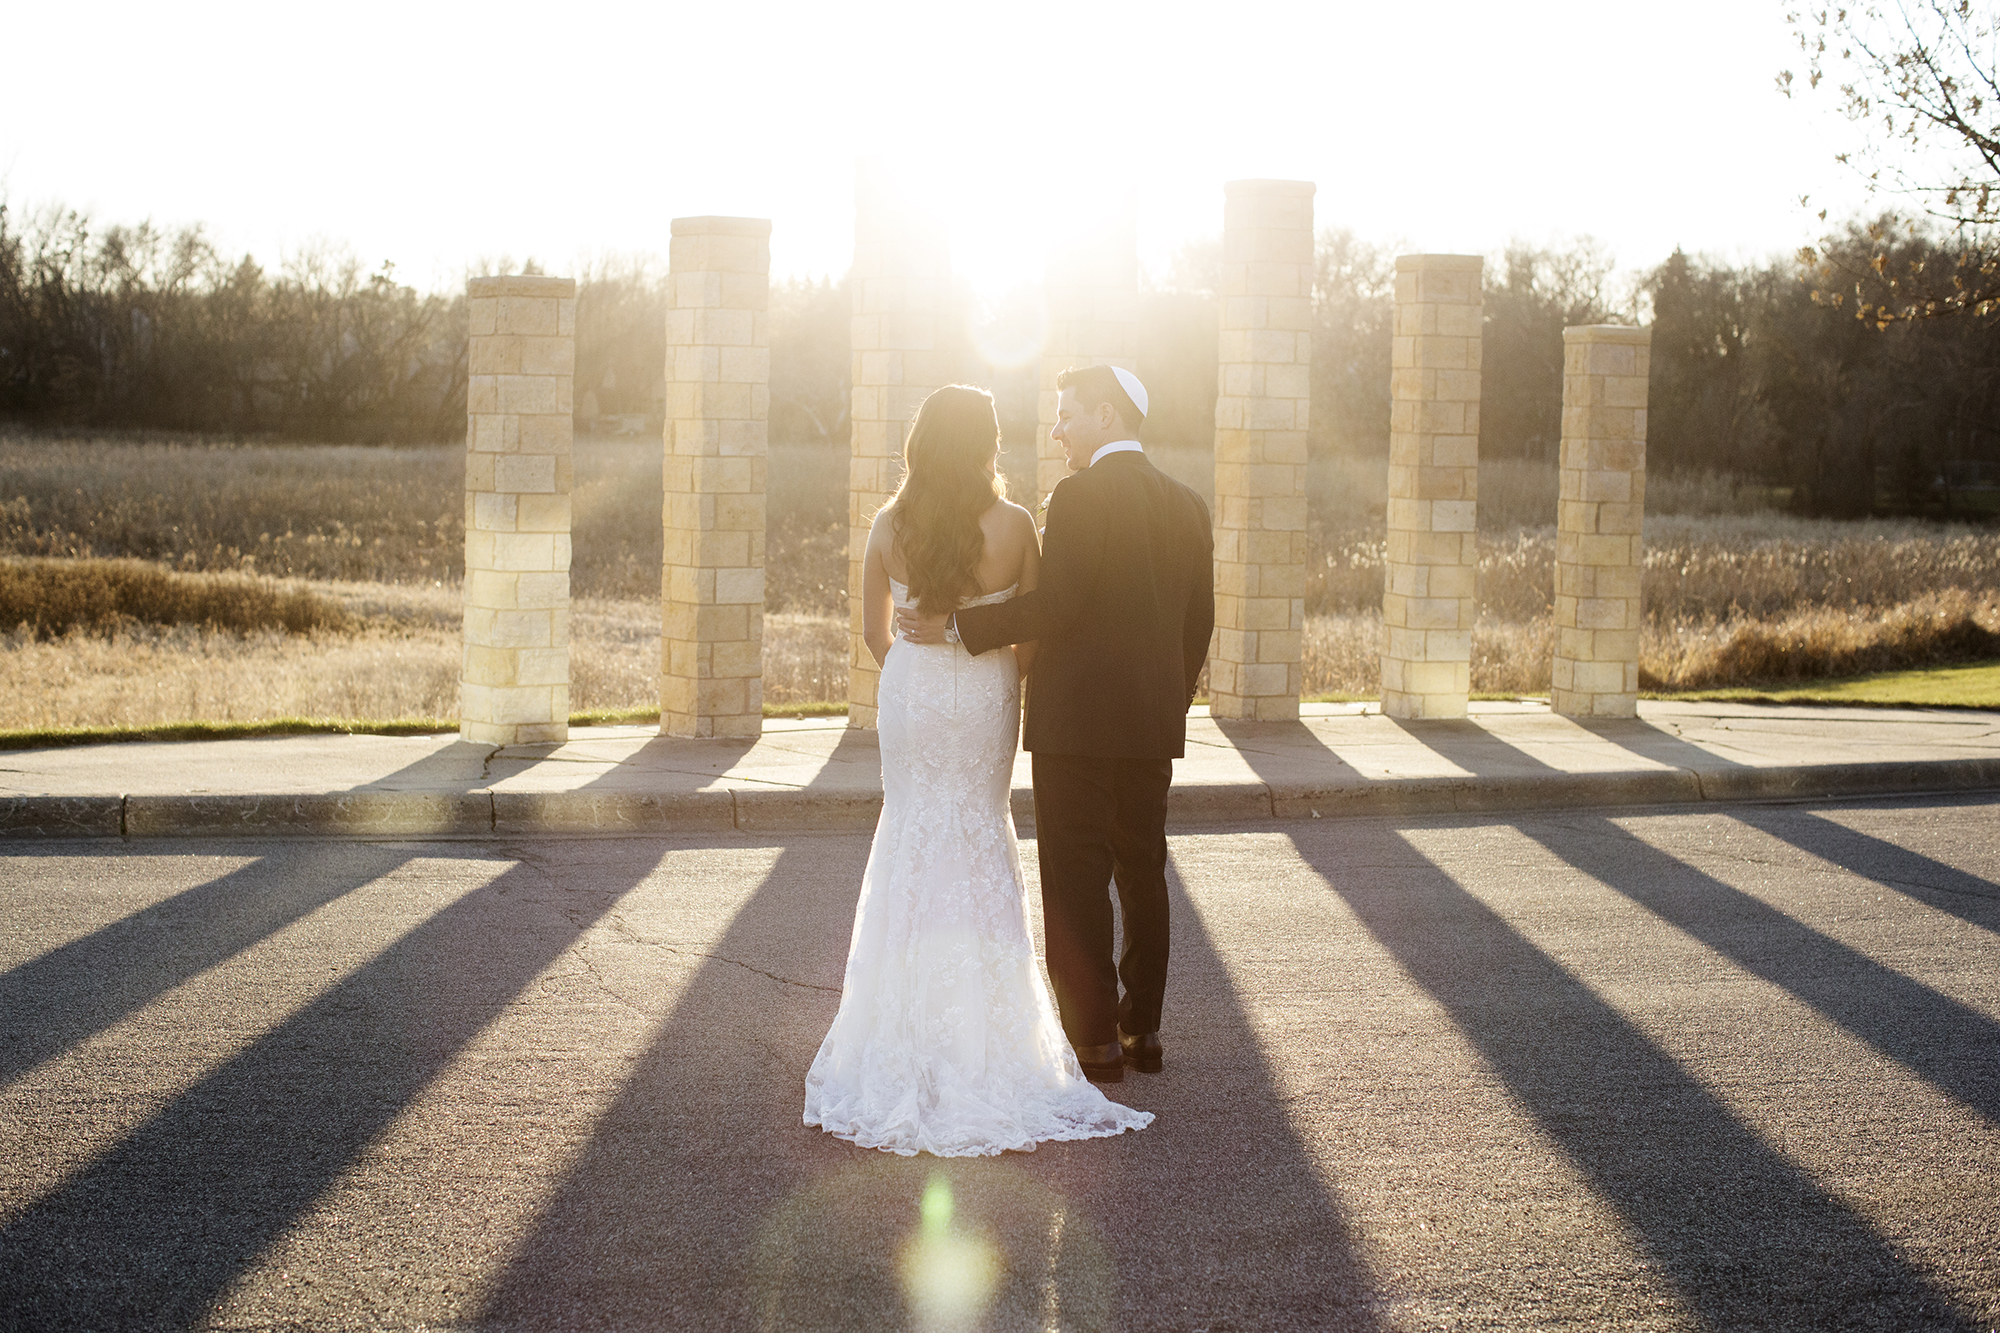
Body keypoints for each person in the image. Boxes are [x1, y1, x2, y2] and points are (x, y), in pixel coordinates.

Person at [803, 383, 1153, 1156]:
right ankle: (986, 1040)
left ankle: (899, 1032)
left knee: (912, 833)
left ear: (919, 442)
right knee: (978, 833)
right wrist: (990, 678)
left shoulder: (887, 525)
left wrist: (915, 678)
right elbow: (1033, 634)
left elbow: (872, 633)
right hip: (987, 689)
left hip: (912, 694)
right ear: (988, 443)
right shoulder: (1018, 524)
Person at [899, 365, 1214, 1084]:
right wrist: (1171, 700)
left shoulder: (1078, 496)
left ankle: (1094, 1042)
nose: (1058, 430)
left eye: (1068, 414)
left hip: (1075, 725)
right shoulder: (1189, 504)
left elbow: (1059, 604)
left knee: (1075, 878)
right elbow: (1201, 622)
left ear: (1106, 415)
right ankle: (1144, 1033)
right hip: (1149, 725)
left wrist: (956, 625)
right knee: (1143, 870)